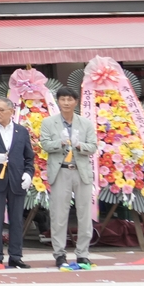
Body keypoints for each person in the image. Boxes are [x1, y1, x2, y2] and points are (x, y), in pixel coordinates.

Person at [39, 88, 98, 270]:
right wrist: (61, 143)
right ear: (58, 102)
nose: (66, 102)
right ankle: (60, 254)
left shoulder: (86, 123)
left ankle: (83, 254)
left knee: (84, 214)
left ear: (75, 102)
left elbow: (93, 146)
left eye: (69, 99)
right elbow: (45, 144)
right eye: (63, 99)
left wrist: (79, 145)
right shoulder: (49, 123)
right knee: (59, 214)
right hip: (61, 171)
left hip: (80, 171)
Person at [0, 97, 35, 269]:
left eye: (1, 110)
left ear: (11, 111)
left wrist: (28, 174)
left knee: (17, 219)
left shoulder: (21, 131)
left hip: (17, 180)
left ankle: (16, 255)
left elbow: (29, 157)